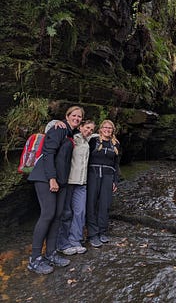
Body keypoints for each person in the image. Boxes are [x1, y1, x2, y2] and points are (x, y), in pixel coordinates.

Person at [27, 106, 84, 274]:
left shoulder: (70, 134)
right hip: (46, 178)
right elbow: (49, 152)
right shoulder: (58, 128)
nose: (76, 118)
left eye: (79, 116)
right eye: (73, 115)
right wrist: (51, 178)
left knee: (57, 216)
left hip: (61, 181)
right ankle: (35, 259)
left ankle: (50, 253)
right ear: (67, 116)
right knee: (47, 215)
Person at [57, 120, 96, 256]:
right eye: (87, 128)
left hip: (82, 183)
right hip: (69, 181)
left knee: (80, 212)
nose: (89, 131)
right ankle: (62, 243)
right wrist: (54, 122)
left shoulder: (88, 140)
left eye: (91, 129)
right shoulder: (73, 137)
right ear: (80, 127)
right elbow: (53, 132)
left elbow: (99, 135)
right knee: (66, 212)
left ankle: (75, 240)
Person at [86, 119, 120, 248]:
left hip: (108, 176)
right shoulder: (93, 141)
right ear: (100, 129)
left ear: (113, 130)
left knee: (104, 205)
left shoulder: (115, 144)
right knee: (92, 204)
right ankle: (93, 234)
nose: (107, 129)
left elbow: (116, 164)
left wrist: (115, 180)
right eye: (105, 127)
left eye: (110, 128)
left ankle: (102, 231)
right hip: (93, 175)